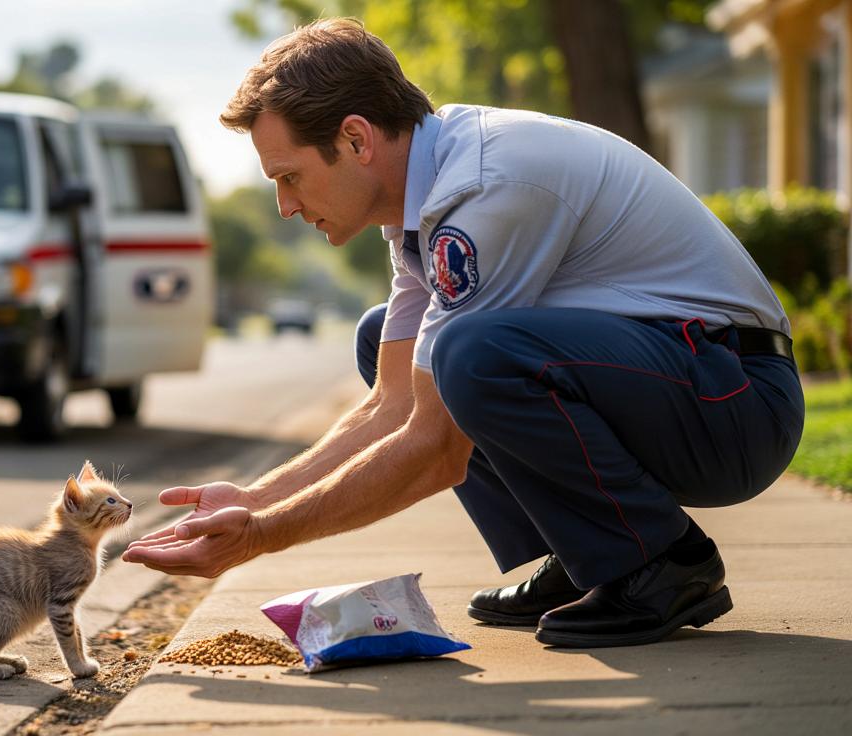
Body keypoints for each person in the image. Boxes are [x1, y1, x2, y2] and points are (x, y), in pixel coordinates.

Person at [121, 18, 803, 648]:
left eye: (290, 176)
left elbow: (437, 446)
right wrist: (255, 497)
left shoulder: (486, 185)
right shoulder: (421, 206)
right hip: (686, 384)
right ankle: (596, 554)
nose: (286, 204)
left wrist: (262, 536)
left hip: (736, 406)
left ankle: (660, 561)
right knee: (385, 338)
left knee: (470, 354)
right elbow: (394, 404)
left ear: (355, 140)